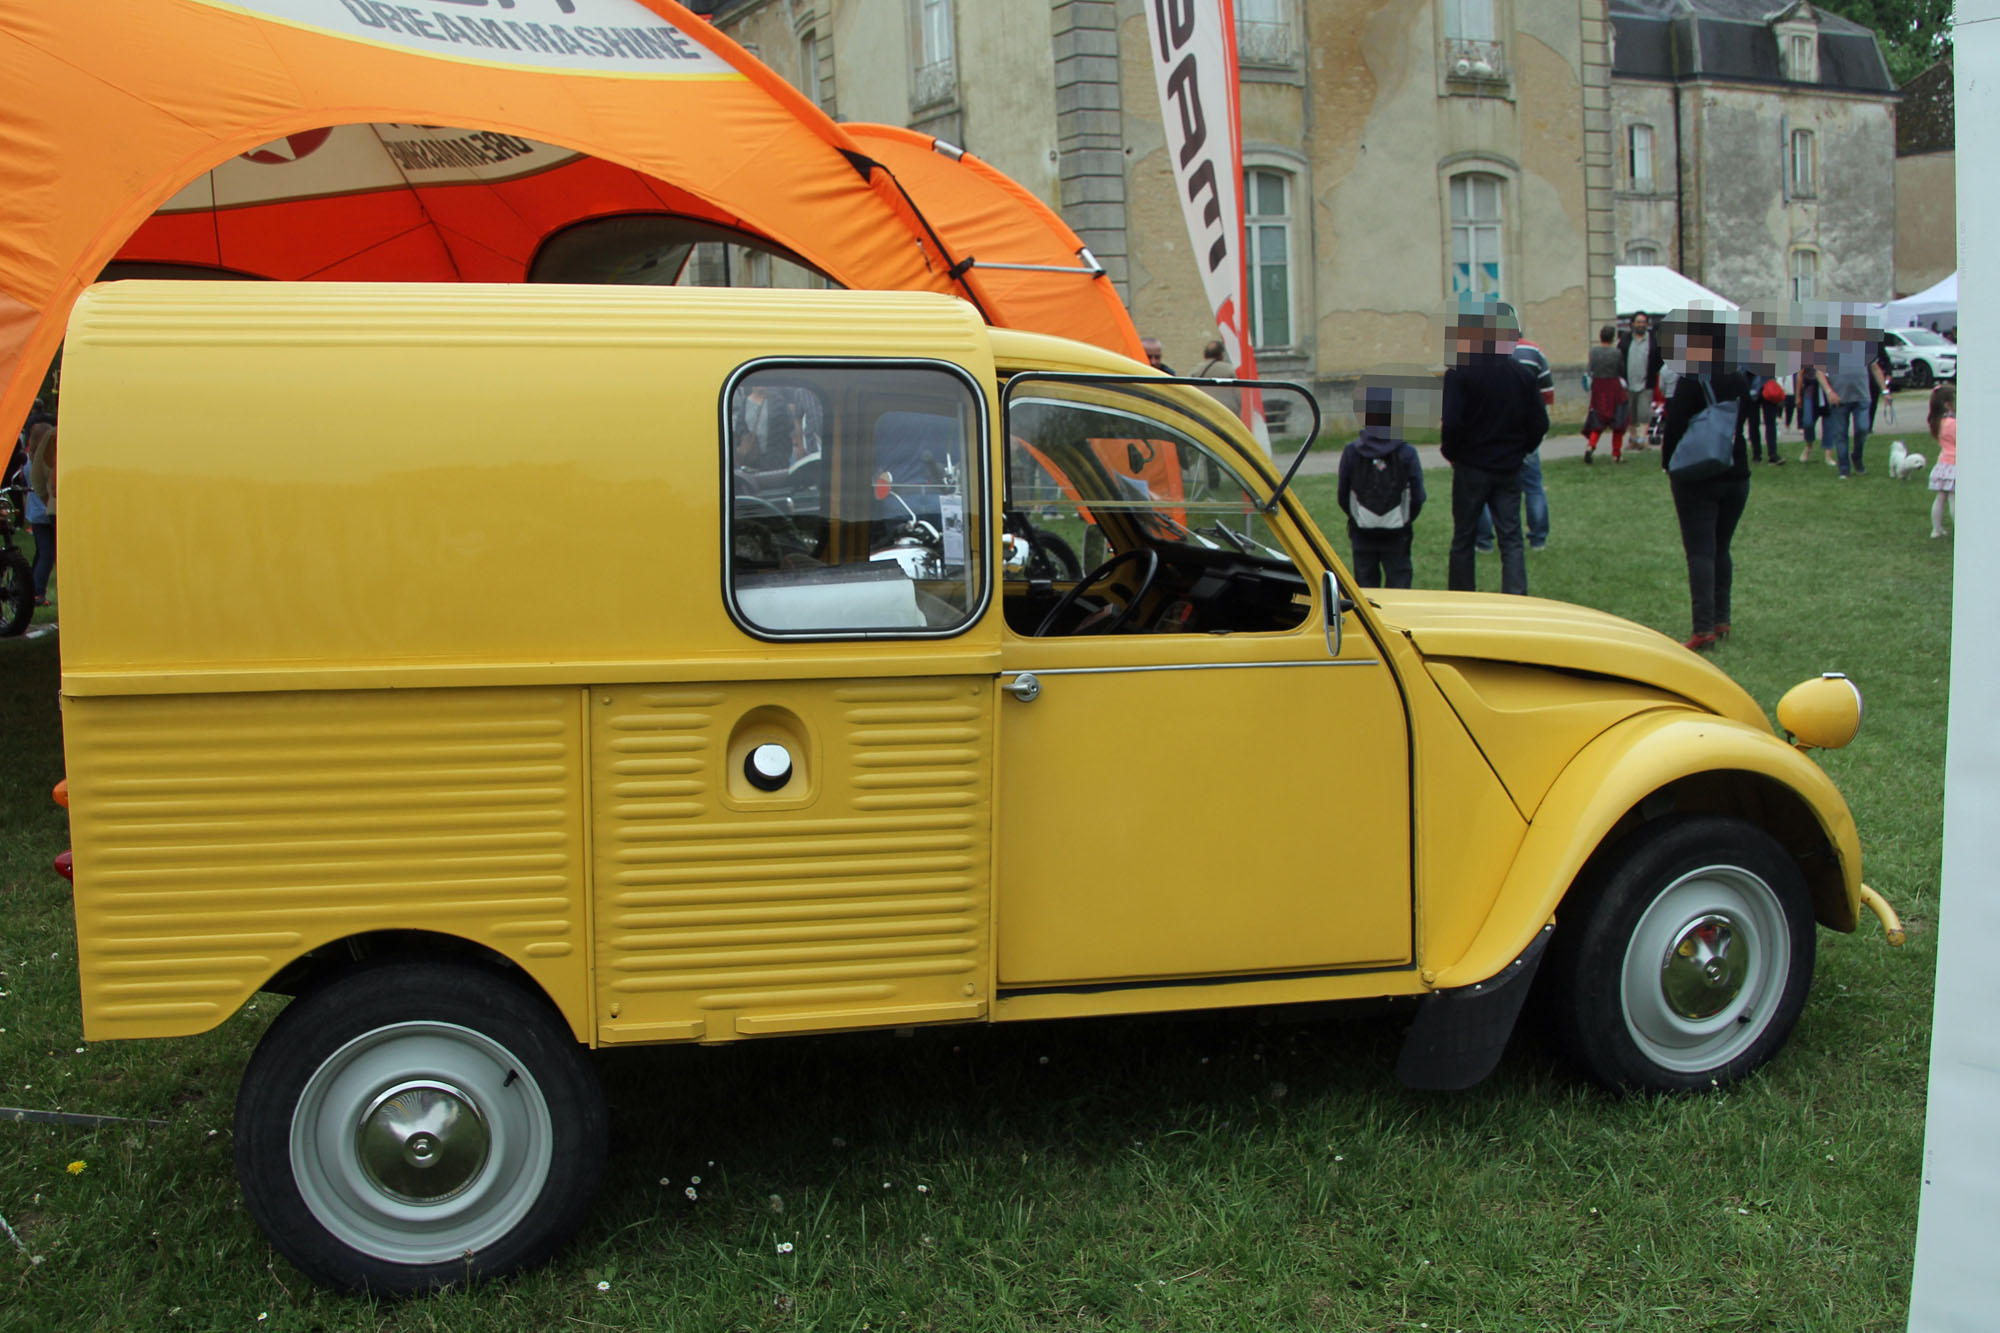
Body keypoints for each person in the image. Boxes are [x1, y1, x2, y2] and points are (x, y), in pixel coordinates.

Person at [1441, 299, 1547, 596]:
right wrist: (1522, 449)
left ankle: (1462, 596)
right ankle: (1515, 597)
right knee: (1511, 537)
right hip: (1508, 465)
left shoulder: (1460, 372)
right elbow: (1539, 422)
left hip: (1471, 465)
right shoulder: (1522, 374)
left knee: (1464, 537)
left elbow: (1451, 422)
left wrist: (1453, 452)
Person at [1659, 315, 1749, 651]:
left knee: (1700, 551)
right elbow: (1745, 417)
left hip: (1698, 475)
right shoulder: (1737, 377)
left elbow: (1675, 427)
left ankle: (1703, 628)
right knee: (1721, 548)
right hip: (1735, 471)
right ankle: (1722, 618)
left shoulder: (1691, 380)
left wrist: (1668, 464)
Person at [1336, 379, 1427, 588]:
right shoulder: (1407, 452)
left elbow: (1342, 495)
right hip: (1397, 533)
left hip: (1362, 531)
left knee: (1366, 589)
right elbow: (1418, 496)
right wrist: (1405, 520)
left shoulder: (1351, 452)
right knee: (1400, 585)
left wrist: (1357, 517)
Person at [1583, 322, 1628, 463]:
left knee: (1598, 419)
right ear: (1613, 338)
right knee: (1618, 421)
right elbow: (1622, 370)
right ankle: (1616, 454)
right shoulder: (1616, 353)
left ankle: (1591, 446)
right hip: (1614, 387)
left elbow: (1590, 370)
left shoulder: (1594, 351)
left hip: (1598, 388)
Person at [1618, 311, 1663, 447]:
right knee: (1630, 412)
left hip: (1646, 382)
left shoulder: (1653, 341)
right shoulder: (1626, 340)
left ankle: (1642, 438)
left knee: (1644, 412)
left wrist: (1654, 373)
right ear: (1632, 324)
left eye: (1643, 322)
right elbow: (1619, 356)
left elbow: (1659, 359)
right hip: (1628, 382)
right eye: (1638, 322)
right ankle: (1633, 438)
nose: (1641, 325)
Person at [23, 420, 55, 606]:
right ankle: (37, 592)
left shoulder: (28, 460)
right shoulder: (45, 459)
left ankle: (32, 588)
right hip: (45, 510)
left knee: (41, 553)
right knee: (47, 555)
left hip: (36, 512)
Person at [1929, 382, 1957, 539]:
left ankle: (1936, 529)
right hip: (1955, 463)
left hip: (1943, 463)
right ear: (1948, 405)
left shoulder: (1937, 422)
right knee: (1954, 498)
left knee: (1940, 497)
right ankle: (1961, 529)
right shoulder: (1954, 424)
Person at [1190, 338, 1240, 414]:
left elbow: (1191, 392)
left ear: (1205, 354)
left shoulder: (1196, 371)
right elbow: (1239, 396)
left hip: (1204, 410)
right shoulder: (1229, 370)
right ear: (1221, 354)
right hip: (1227, 412)